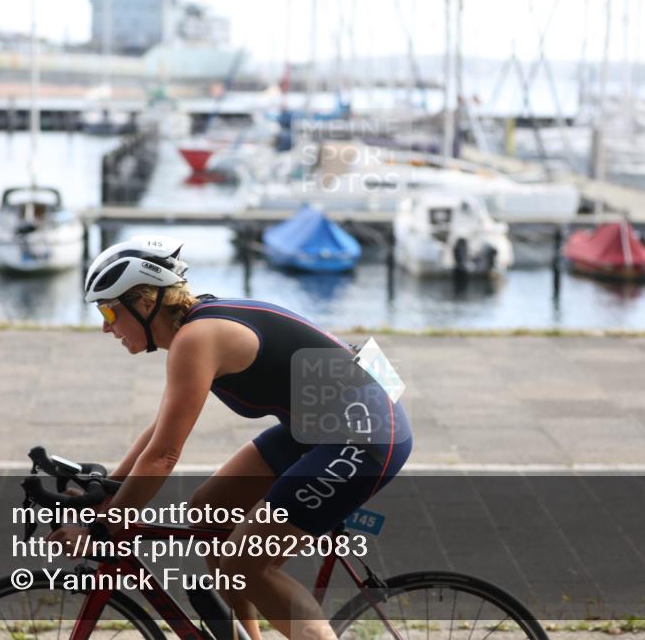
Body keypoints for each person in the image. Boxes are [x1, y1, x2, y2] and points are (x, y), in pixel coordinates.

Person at [49, 235, 413, 640]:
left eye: (110, 312)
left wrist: (107, 524)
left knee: (246, 564)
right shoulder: (195, 329)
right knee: (209, 509)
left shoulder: (196, 338)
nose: (104, 327)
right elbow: (162, 429)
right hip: (323, 425)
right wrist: (109, 490)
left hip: (364, 433)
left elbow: (165, 456)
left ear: (146, 302)